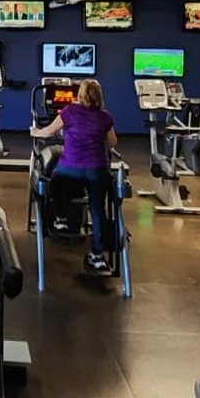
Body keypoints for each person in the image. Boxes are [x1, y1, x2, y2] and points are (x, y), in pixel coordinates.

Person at [28, 78, 117, 275]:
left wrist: (35, 131)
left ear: (80, 95)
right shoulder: (104, 116)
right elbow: (112, 142)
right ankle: (97, 256)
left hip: (70, 169)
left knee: (54, 185)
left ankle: (60, 219)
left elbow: (47, 132)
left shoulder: (69, 111)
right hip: (97, 171)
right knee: (97, 210)